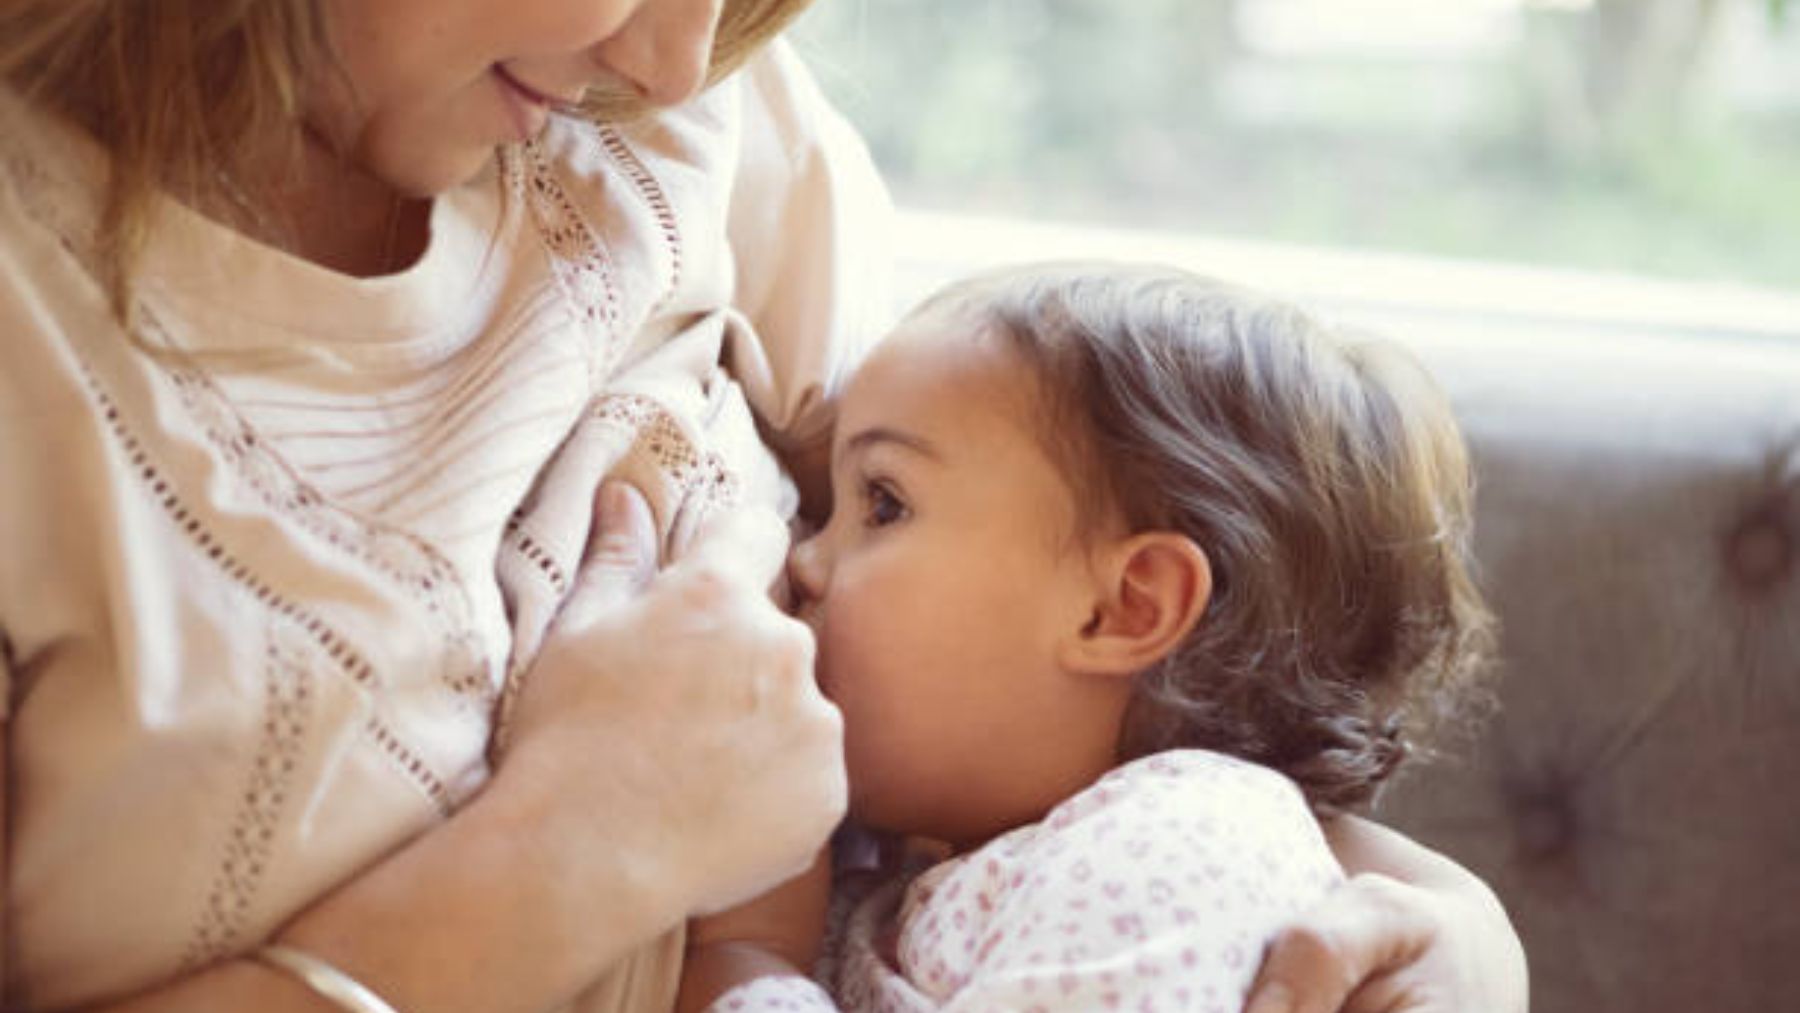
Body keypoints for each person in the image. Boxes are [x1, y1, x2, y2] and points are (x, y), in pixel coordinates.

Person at [0, 1, 1523, 1010]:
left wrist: (1446, 939)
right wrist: (575, 844)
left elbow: (1090, 683)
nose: (675, 61)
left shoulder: (697, 115)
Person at [674, 263, 1509, 1012]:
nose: (804, 557)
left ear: (1125, 609)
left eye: (884, 503)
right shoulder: (960, 844)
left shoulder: (1177, 856)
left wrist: (746, 958)